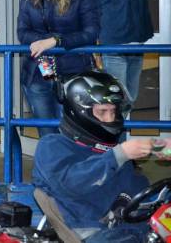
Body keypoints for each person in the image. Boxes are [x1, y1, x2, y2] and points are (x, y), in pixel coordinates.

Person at [33, 70, 160, 242]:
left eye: (113, 111)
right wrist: (120, 154)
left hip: (131, 229)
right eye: (102, 111)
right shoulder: (52, 145)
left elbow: (137, 188)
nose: (110, 118)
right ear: (79, 111)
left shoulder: (111, 151)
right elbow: (72, 183)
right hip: (93, 232)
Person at [17, 0, 100, 137]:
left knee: (71, 134)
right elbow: (22, 31)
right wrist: (47, 41)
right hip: (37, 73)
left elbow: (91, 32)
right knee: (47, 133)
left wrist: (56, 41)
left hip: (73, 74)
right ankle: (50, 159)